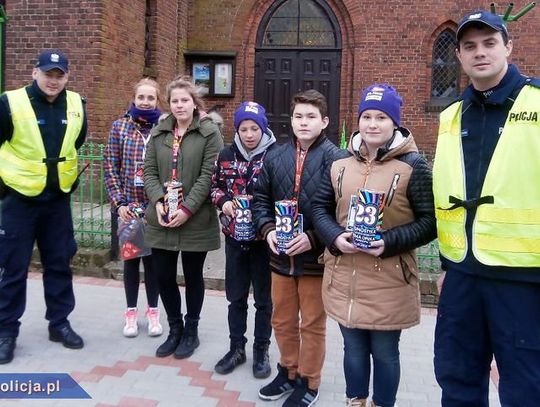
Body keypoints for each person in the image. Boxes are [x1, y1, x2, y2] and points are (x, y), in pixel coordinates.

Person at [432, 11, 540, 406]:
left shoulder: (537, 105)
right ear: (459, 56)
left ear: (509, 47)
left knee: (526, 388)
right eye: (469, 46)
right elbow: (448, 192)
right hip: (462, 275)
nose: (480, 53)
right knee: (456, 377)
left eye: (490, 43)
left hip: (523, 280)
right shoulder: (450, 116)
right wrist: (448, 266)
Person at [311, 84, 437, 407]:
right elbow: (319, 209)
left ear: (394, 122)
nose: (372, 124)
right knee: (352, 350)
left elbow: (429, 223)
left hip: (388, 280)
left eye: (381, 117)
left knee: (384, 354)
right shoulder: (339, 163)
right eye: (366, 116)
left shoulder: (413, 166)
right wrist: (335, 237)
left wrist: (389, 242)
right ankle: (356, 401)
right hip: (344, 277)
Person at [252, 89, 347, 407]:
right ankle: (287, 372)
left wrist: (314, 237)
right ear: (290, 120)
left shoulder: (337, 160)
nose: (303, 122)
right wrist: (267, 231)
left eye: (310, 117)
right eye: (298, 116)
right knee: (281, 319)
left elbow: (341, 211)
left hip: (314, 261)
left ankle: (309, 381)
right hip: (280, 257)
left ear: (324, 121)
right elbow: (260, 201)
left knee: (312, 323)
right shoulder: (275, 156)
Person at [0, 49, 88, 364]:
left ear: (67, 76)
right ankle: (6, 332)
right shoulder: (10, 103)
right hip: (19, 202)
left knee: (60, 263)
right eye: (48, 73)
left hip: (57, 201)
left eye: (59, 74)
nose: (53, 80)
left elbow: (75, 144)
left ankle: (59, 323)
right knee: (12, 268)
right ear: (34, 73)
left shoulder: (77, 104)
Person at [143, 76, 223, 360]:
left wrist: (186, 209)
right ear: (169, 103)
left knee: (192, 275)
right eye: (175, 101)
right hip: (163, 216)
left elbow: (208, 175)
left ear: (194, 103)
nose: (179, 106)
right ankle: (174, 328)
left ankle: (191, 330)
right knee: (163, 275)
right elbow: (149, 171)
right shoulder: (159, 132)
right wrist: (160, 201)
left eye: (184, 100)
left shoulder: (209, 132)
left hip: (195, 217)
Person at [210, 101, 276, 378]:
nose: (249, 134)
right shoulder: (225, 155)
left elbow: (283, 191)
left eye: (254, 128)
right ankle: (236, 347)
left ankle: (261, 349)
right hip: (235, 238)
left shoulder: (276, 155)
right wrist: (223, 201)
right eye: (243, 129)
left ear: (263, 128)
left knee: (263, 300)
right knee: (236, 298)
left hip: (264, 242)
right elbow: (214, 186)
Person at [104, 78, 163, 338]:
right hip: (130, 207)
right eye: (142, 97)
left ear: (157, 101)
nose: (146, 102)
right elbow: (110, 169)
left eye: (151, 98)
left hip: (155, 209)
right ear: (134, 98)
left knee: (152, 264)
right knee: (131, 262)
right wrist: (119, 204)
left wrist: (162, 203)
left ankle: (153, 312)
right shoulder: (120, 127)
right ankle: (130, 313)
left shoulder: (164, 129)